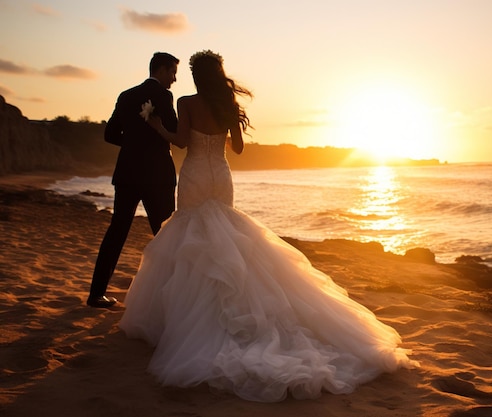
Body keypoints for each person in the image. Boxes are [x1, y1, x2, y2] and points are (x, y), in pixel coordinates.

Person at [119, 49, 417, 402]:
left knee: (194, 237)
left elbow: (182, 142)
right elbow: (240, 149)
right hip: (222, 176)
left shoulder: (186, 102)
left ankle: (192, 322)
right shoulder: (227, 105)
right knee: (223, 238)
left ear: (197, 77)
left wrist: (156, 126)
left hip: (196, 174)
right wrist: (223, 132)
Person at [87, 52, 180, 308]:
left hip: (127, 172)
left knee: (117, 231)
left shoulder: (126, 95)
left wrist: (132, 144)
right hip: (157, 175)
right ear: (160, 70)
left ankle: (96, 294)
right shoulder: (163, 95)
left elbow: (110, 134)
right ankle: (170, 296)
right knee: (164, 235)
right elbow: (172, 130)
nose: (174, 79)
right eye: (172, 72)